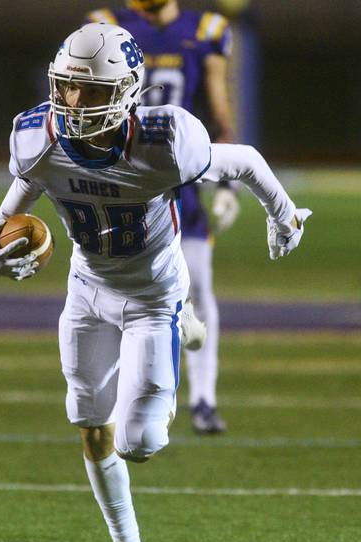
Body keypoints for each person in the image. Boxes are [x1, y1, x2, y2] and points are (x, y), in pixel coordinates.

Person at [0, 23, 310, 542]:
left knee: (139, 443)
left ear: (125, 91)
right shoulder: (36, 137)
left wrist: (285, 214)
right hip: (86, 287)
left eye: (91, 90)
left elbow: (244, 160)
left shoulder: (165, 139)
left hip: (153, 295)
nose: (73, 102)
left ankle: (181, 324)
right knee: (89, 421)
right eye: (66, 86)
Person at [86, 0, 239, 433]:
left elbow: (219, 112)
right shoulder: (108, 25)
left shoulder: (205, 29)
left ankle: (204, 399)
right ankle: (121, 401)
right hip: (123, 178)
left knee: (200, 288)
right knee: (114, 292)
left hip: (176, 177)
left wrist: (225, 184)